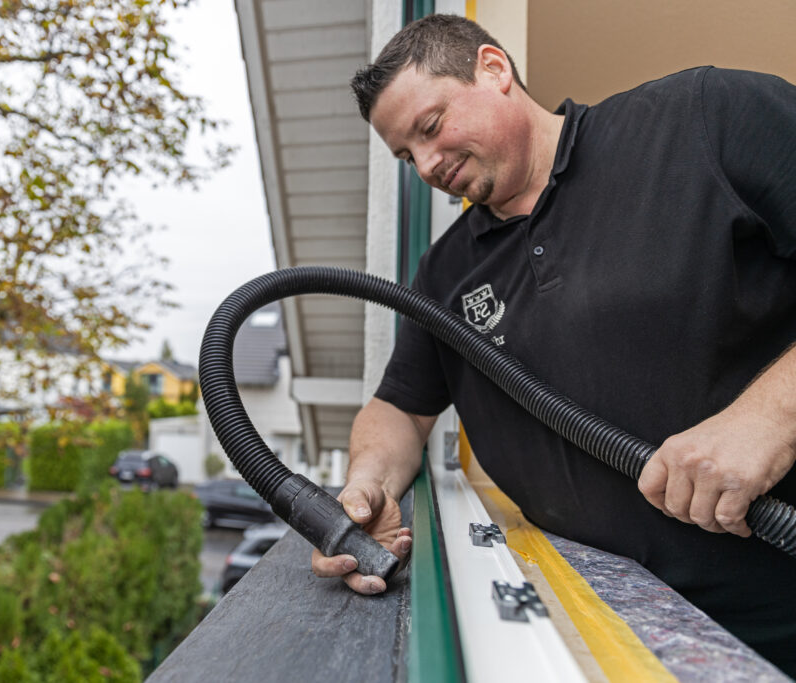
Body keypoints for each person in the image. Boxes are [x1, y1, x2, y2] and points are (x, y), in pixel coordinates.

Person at [310, 13, 796, 675]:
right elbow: (400, 409)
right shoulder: (445, 273)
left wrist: (771, 417)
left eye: (430, 128)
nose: (425, 165)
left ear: (495, 70)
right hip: (601, 631)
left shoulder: (703, 120)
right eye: (406, 156)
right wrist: (365, 488)